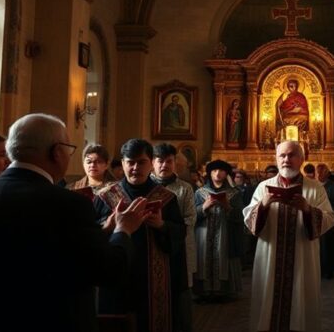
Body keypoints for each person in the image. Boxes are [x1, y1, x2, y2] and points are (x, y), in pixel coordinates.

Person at [0, 114, 148, 332]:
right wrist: (122, 229)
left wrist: (103, 230)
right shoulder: (69, 204)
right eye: (70, 150)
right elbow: (109, 271)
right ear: (57, 152)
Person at [95, 139, 187, 332]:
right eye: (130, 162)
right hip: (117, 274)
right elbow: (92, 235)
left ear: (151, 163)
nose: (135, 168)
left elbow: (180, 233)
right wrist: (108, 225)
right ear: (122, 163)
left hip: (152, 281)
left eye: (141, 162)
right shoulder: (105, 197)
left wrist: (162, 226)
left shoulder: (167, 198)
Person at [243, 141, 334, 332]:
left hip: (302, 257)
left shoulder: (315, 187)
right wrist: (263, 205)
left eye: (291, 155)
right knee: (267, 305)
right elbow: (249, 220)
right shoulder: (263, 187)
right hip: (270, 254)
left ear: (301, 159)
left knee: (300, 303)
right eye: (282, 156)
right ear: (276, 159)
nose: (286, 159)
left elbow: (329, 218)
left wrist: (307, 209)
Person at [150, 142, 195, 331]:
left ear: (175, 163)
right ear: (152, 162)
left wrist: (171, 231)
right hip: (151, 244)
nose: (164, 165)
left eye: (169, 161)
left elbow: (190, 218)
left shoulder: (185, 188)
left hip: (178, 245)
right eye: (160, 161)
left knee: (178, 293)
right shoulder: (146, 186)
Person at [193, 160, 244, 301]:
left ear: (226, 173)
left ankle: (224, 292)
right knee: (203, 258)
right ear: (209, 173)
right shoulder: (200, 193)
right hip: (203, 233)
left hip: (225, 233)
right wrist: (204, 207)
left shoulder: (235, 193)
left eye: (221, 171)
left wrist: (227, 206)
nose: (218, 173)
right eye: (214, 171)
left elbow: (241, 216)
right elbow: (191, 215)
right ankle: (203, 292)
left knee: (223, 258)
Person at [317, 163, 334, 279]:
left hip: (328, 220)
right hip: (315, 220)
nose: (319, 175)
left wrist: (331, 217)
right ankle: (318, 270)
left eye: (322, 172)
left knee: (328, 247)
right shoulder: (314, 186)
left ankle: (328, 271)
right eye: (318, 172)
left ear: (327, 174)